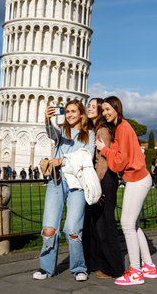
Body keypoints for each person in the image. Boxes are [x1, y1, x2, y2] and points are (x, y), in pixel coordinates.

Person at [96, 96, 157, 287]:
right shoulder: (123, 127)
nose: (105, 113)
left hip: (137, 179)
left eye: (108, 109)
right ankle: (148, 265)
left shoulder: (122, 128)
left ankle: (135, 271)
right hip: (139, 178)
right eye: (103, 110)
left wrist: (104, 150)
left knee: (127, 224)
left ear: (117, 108)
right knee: (135, 225)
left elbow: (120, 161)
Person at [33, 100, 95, 282]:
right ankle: (46, 268)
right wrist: (47, 120)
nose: (70, 114)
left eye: (73, 111)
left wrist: (64, 161)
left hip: (77, 183)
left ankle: (78, 268)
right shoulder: (62, 131)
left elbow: (87, 158)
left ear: (81, 114)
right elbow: (51, 133)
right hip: (57, 181)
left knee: (72, 229)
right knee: (49, 228)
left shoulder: (88, 135)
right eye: (67, 111)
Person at [83, 98, 124, 279]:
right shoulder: (92, 130)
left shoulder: (102, 130)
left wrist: (96, 187)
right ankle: (95, 263)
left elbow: (103, 162)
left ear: (100, 111)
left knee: (104, 226)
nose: (89, 108)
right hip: (96, 180)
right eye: (89, 106)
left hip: (103, 180)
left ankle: (113, 268)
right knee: (93, 224)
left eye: (93, 106)